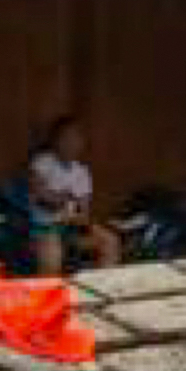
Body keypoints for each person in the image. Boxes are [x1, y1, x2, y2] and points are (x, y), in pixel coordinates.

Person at [26, 114, 116, 274]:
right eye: (66, 138)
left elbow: (83, 211)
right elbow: (39, 193)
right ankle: (50, 293)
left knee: (109, 241)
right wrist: (63, 200)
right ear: (55, 141)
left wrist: (76, 215)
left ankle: (101, 284)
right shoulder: (43, 162)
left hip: (71, 229)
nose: (71, 143)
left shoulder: (82, 171)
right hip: (45, 227)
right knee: (53, 253)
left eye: (76, 138)